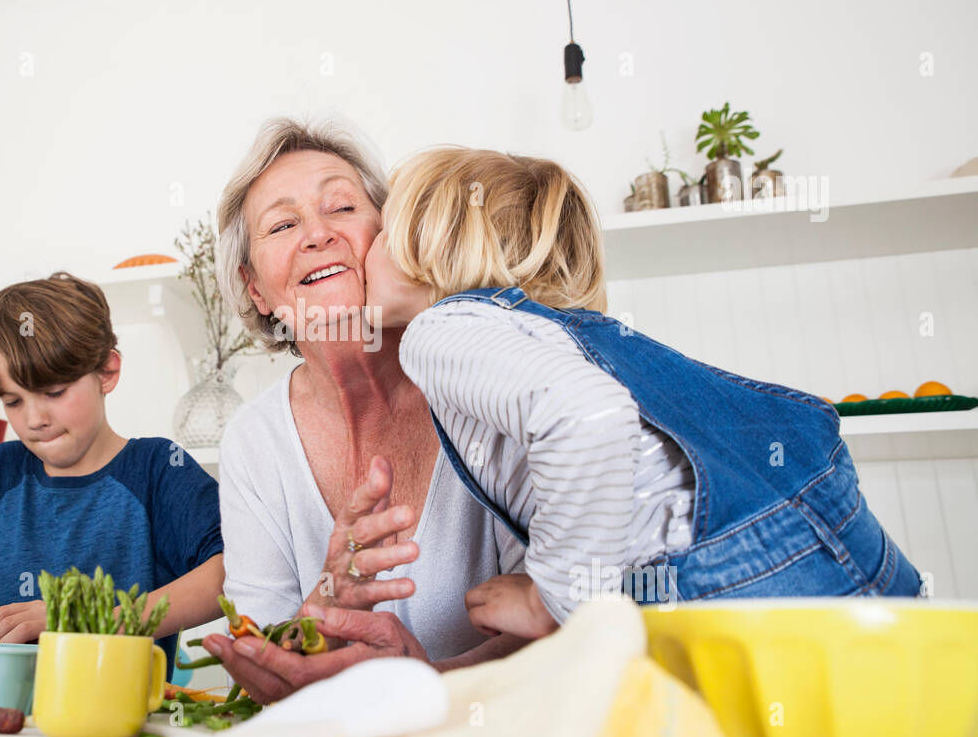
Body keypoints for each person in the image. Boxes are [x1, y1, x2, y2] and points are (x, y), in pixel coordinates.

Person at [362, 146, 923, 638]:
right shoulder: (566, 331)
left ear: (429, 244)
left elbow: (590, 416)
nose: (364, 250)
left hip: (724, 567)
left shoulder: (440, 328)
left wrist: (553, 597)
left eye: (384, 230)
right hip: (842, 526)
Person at [199, 119, 529, 703]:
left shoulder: (484, 389)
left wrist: (427, 685)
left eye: (342, 207)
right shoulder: (253, 441)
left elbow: (563, 618)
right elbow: (264, 660)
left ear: (386, 234)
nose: (317, 234)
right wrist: (321, 612)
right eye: (282, 224)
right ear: (256, 291)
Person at [0, 273, 225, 668]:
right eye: (13, 401)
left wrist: (91, 622)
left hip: (116, 720)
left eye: (54, 393)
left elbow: (230, 575)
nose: (34, 419)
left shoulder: (158, 470)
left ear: (107, 373)